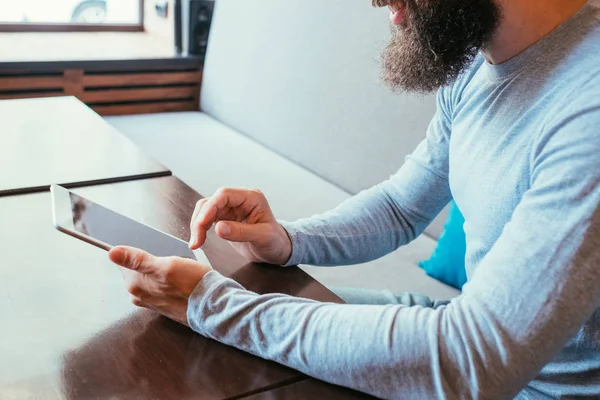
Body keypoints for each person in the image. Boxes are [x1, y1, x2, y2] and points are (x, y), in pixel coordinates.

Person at [108, 0, 600, 398]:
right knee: (175, 336)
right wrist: (287, 241)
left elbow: (472, 363)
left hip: (526, 383)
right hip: (459, 337)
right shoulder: (477, 66)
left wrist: (215, 306)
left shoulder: (587, 109)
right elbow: (401, 206)